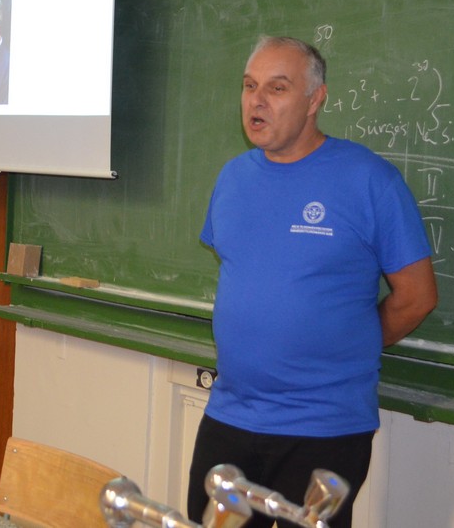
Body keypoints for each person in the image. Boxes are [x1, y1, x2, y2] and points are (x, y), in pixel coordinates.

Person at [186, 35, 437, 528]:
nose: (257, 101)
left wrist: (346, 345)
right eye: (250, 86)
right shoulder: (232, 178)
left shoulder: (369, 181)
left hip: (324, 429)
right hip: (231, 416)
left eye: (277, 88)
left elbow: (417, 297)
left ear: (315, 99)